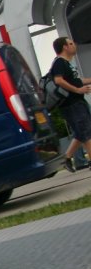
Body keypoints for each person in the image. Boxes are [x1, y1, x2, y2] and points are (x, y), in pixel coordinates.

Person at [50, 36, 91, 172]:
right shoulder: (59, 63)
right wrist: (78, 90)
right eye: (71, 43)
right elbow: (58, 80)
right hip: (71, 104)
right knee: (86, 132)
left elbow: (77, 80)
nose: (74, 45)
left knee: (81, 132)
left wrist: (85, 83)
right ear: (65, 47)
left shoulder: (67, 63)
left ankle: (66, 158)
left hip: (78, 101)